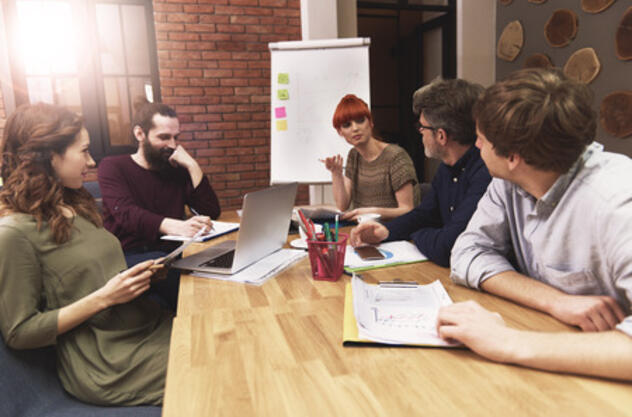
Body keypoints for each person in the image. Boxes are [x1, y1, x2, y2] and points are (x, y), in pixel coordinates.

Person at [441, 68, 632, 379]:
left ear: (513, 156)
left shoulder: (618, 202)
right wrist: (556, 302)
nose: (475, 147)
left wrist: (506, 341)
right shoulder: (508, 181)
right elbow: (467, 252)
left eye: (480, 139)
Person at [0, 103, 172, 405]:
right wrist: (105, 297)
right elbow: (20, 331)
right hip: (107, 360)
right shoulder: (14, 233)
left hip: (143, 326)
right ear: (50, 156)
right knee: (215, 363)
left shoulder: (76, 204)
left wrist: (139, 277)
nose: (92, 161)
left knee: (227, 338)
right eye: (84, 151)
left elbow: (95, 273)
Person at [349, 79, 491, 266]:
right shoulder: (447, 166)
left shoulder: (485, 173)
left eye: (422, 127)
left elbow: (447, 246)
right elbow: (425, 215)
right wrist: (386, 231)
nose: (420, 133)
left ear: (441, 136)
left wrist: (416, 234)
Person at [98, 100, 220, 308]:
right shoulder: (113, 167)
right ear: (140, 134)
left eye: (175, 138)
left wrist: (192, 165)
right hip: (129, 255)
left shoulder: (176, 169)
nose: (172, 145)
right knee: (194, 287)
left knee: (219, 263)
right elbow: (126, 213)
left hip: (172, 254)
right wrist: (177, 226)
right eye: (164, 137)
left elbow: (211, 211)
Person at [322, 94, 420, 221]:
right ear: (340, 132)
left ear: (371, 122)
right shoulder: (354, 155)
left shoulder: (396, 156)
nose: (355, 128)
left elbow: (407, 209)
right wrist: (336, 173)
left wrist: (371, 212)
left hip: (394, 232)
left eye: (360, 120)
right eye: (347, 125)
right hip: (363, 231)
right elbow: (342, 205)